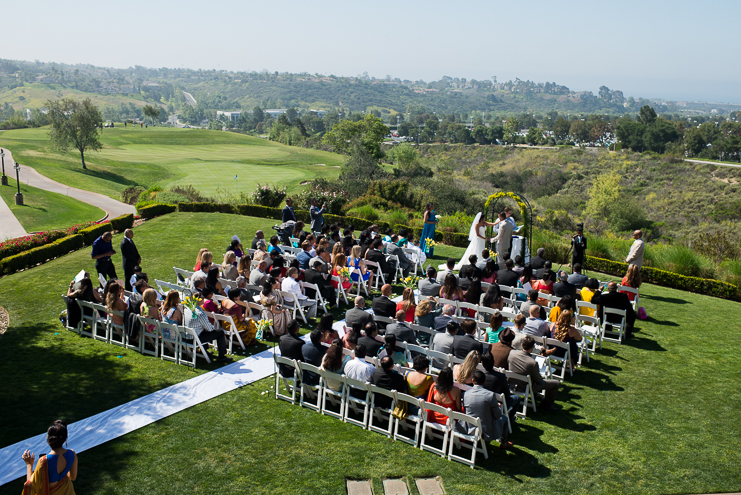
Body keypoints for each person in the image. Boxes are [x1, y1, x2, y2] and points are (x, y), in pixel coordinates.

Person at [21, 420, 78, 494]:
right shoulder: (72, 453)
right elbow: (72, 477)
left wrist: (29, 465)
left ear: (48, 439)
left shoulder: (44, 461)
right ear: (65, 439)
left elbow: (31, 487)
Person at [458, 371, 512, 449]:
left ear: (473, 381)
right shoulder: (490, 395)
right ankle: (504, 443)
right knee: (505, 419)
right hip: (486, 430)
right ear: (485, 382)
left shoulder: (465, 394)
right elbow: (497, 415)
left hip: (470, 427)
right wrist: (498, 407)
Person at [508, 335, 561, 411]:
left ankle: (537, 397)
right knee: (556, 383)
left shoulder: (512, 353)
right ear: (532, 348)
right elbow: (538, 380)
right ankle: (546, 405)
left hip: (511, 384)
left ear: (522, 345)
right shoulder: (533, 363)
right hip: (525, 387)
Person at [480, 351, 521, 424]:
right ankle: (510, 418)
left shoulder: (479, 375)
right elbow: (507, 395)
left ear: (482, 363)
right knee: (517, 398)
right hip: (497, 404)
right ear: (493, 362)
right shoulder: (501, 376)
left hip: (482, 401)